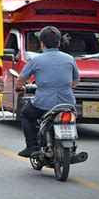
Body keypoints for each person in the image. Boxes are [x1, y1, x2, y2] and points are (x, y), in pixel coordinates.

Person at [15, 26, 80, 157]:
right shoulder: (69, 59)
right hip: (67, 102)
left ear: (42, 43)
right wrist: (66, 88)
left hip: (44, 103)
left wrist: (20, 87)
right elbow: (76, 80)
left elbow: (20, 80)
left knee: (26, 115)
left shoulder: (35, 60)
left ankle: (31, 146)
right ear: (59, 42)